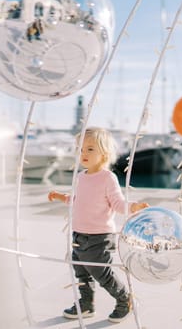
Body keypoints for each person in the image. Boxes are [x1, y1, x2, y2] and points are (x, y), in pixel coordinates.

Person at [48, 127, 149, 323]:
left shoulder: (107, 178)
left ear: (104, 153)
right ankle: (86, 304)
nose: (83, 153)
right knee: (81, 270)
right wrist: (62, 196)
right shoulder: (81, 177)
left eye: (90, 149)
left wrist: (133, 206)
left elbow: (118, 204)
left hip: (99, 236)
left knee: (101, 272)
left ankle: (124, 300)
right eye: (80, 149)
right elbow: (78, 200)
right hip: (78, 234)